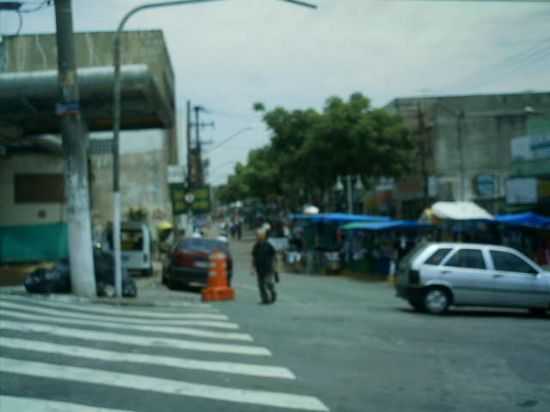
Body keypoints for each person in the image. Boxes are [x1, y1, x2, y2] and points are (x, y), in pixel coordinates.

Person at [252, 228, 277, 304]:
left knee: (268, 283)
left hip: (268, 267)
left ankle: (273, 294)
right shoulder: (256, 246)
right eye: (257, 235)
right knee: (261, 285)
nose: (258, 236)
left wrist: (274, 266)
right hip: (259, 268)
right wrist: (252, 268)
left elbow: (274, 256)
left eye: (259, 235)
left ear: (263, 236)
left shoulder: (269, 245)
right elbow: (254, 257)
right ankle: (265, 299)